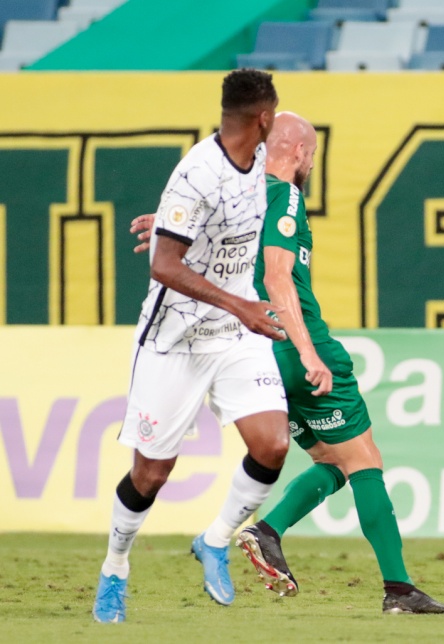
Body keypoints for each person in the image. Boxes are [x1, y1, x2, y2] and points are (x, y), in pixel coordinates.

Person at [129, 112, 444, 615]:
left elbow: (194, 229)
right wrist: (308, 352)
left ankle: (268, 531)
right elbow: (279, 278)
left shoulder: (236, 198)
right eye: (313, 155)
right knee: (364, 461)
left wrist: (163, 223)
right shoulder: (286, 195)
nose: (311, 164)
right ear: (300, 153)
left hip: (247, 352)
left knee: (330, 460)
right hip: (291, 342)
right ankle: (397, 588)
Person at [92, 69, 290, 624]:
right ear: (264, 118)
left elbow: (217, 225)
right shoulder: (196, 173)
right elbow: (163, 263)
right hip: (175, 339)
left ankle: (216, 538)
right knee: (151, 474)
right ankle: (115, 567)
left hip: (231, 336)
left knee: (272, 444)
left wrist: (175, 224)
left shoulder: (252, 165)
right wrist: (242, 305)